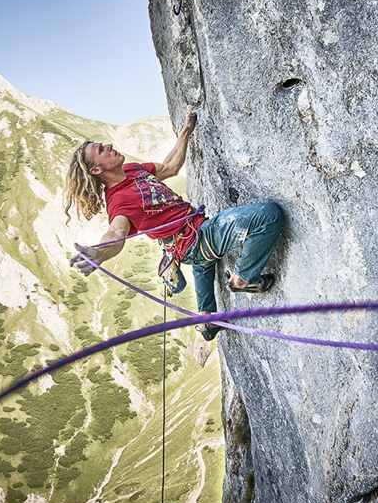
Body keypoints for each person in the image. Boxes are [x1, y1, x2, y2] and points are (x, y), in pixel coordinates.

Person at [64, 110, 284, 340]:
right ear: (97, 170)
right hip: (197, 238)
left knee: (203, 261)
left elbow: (170, 167)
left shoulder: (132, 171)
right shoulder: (119, 201)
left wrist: (186, 132)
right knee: (268, 215)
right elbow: (116, 231)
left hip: (186, 242)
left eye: (102, 144)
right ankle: (242, 279)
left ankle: (207, 319)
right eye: (101, 150)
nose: (108, 145)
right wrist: (99, 253)